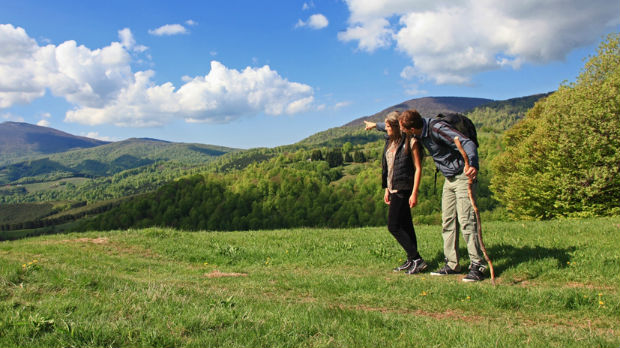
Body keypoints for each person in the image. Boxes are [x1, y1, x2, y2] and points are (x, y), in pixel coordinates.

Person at [398, 109, 486, 282]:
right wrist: (376, 125)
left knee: (467, 220)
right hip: (449, 179)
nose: (402, 133)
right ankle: (452, 264)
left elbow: (467, 143)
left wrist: (473, 165)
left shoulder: (437, 128)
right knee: (448, 221)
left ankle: (477, 265)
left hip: (462, 175)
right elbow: (390, 126)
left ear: (412, 129)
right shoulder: (419, 132)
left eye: (403, 129)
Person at [364, 111, 427, 274]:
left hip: (404, 188)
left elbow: (418, 168)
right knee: (406, 225)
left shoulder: (411, 142)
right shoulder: (390, 141)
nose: (385, 128)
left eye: (387, 126)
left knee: (393, 226)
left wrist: (415, 193)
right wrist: (387, 188)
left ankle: (417, 259)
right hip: (393, 187)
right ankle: (410, 260)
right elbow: (389, 168)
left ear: (395, 127)